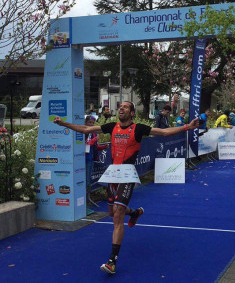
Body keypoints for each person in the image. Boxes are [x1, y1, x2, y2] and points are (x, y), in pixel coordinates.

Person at [54, 101, 199, 275]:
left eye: (125, 107)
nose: (120, 109)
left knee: (117, 215)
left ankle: (112, 262)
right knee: (111, 212)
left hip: (127, 174)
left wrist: (186, 127)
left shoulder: (138, 128)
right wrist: (63, 124)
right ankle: (135, 213)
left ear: (131, 113)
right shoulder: (112, 126)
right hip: (112, 173)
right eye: (120, 107)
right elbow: (86, 130)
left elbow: (163, 132)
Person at [84, 115, 109, 212]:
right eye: (89, 123)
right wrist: (95, 139)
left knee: (88, 180)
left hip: (91, 159)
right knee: (85, 180)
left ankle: (87, 199)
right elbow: (87, 144)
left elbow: (95, 146)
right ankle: (85, 200)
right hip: (84, 159)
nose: (91, 125)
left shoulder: (93, 133)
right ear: (85, 123)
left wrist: (103, 147)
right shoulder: (84, 132)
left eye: (93, 123)